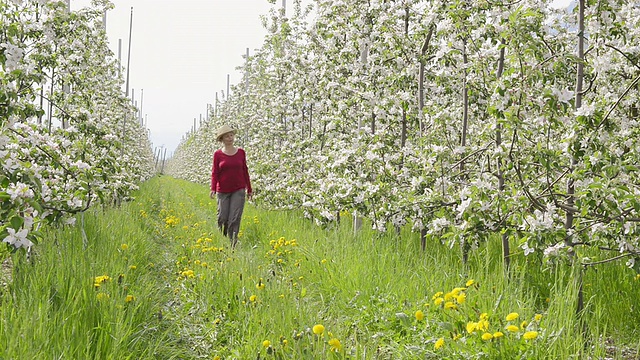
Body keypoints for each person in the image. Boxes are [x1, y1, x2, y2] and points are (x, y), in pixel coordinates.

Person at [210, 125, 252, 248]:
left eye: (231, 135)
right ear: (222, 139)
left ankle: (233, 242)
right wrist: (213, 188)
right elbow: (215, 172)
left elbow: (245, 170)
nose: (230, 138)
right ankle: (222, 237)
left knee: (235, 217)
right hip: (223, 190)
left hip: (238, 189)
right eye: (227, 136)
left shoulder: (241, 152)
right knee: (222, 217)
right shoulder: (218, 154)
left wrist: (249, 189)